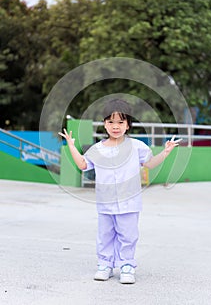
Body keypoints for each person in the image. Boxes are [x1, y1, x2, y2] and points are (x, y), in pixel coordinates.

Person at [59, 99, 181, 284]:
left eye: (120, 122)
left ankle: (126, 266)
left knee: (128, 235)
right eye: (111, 122)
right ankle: (105, 265)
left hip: (130, 202)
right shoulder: (97, 148)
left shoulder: (137, 146)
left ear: (128, 125)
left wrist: (165, 153)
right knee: (105, 235)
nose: (115, 126)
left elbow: (149, 163)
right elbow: (83, 164)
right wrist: (71, 145)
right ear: (105, 124)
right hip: (105, 202)